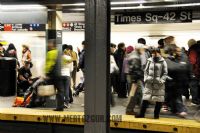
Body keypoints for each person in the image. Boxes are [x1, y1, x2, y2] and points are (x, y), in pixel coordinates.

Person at [135, 48, 168, 119]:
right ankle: (141, 114)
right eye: (152, 52)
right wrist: (146, 79)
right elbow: (145, 71)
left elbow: (165, 73)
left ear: (159, 53)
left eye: (155, 52)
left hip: (158, 84)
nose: (154, 54)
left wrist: (161, 81)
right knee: (145, 99)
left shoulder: (163, 61)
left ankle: (156, 115)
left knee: (158, 100)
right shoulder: (149, 60)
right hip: (149, 83)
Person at [164, 45, 188, 117]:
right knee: (174, 96)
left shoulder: (180, 58)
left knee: (175, 96)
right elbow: (173, 67)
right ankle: (180, 110)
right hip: (171, 81)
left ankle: (176, 109)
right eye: (177, 51)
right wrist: (182, 66)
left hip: (176, 81)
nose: (179, 52)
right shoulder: (168, 59)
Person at [45, 39, 64, 111]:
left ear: (53, 45)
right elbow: (64, 62)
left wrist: (45, 73)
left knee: (50, 89)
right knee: (60, 91)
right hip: (59, 74)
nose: (48, 45)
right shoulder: (60, 53)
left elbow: (49, 64)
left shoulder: (51, 53)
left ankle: (44, 102)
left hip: (53, 75)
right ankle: (60, 107)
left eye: (49, 43)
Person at [125, 43, 145, 115]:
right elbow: (135, 68)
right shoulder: (135, 56)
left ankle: (129, 109)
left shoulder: (133, 54)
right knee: (133, 94)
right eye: (143, 49)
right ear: (139, 48)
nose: (143, 50)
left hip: (132, 77)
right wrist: (135, 79)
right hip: (134, 78)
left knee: (133, 94)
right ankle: (129, 110)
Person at [188, 39, 200, 104]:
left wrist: (191, 71)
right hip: (198, 70)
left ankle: (195, 100)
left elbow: (192, 61)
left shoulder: (193, 50)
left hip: (195, 71)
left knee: (193, 85)